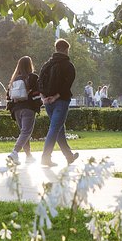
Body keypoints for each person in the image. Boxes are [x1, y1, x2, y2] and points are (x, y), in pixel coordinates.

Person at [38, 38, 79, 167]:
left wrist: (43, 97)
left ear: (56, 49)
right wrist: (56, 97)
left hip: (48, 101)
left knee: (59, 129)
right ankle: (46, 157)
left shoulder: (47, 65)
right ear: (66, 50)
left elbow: (39, 82)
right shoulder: (69, 66)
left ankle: (69, 156)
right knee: (55, 128)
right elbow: (67, 85)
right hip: (60, 101)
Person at [6, 56, 43, 165]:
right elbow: (37, 94)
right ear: (30, 65)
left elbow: (8, 96)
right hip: (28, 108)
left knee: (24, 132)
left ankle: (28, 156)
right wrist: (39, 104)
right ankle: (14, 152)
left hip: (16, 110)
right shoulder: (33, 77)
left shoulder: (14, 79)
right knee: (26, 131)